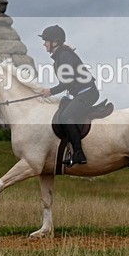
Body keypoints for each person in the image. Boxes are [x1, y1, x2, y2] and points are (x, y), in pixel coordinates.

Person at [39, 25, 100, 166]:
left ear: (55, 41)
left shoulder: (64, 55)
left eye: (46, 40)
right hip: (80, 92)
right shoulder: (60, 55)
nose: (44, 44)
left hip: (87, 93)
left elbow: (68, 80)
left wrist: (51, 91)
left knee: (66, 117)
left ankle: (79, 154)